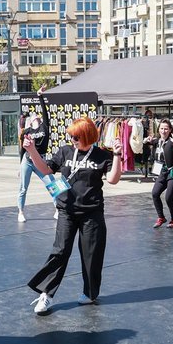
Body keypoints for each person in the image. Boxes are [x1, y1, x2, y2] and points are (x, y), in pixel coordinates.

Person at [24, 117, 123, 314]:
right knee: (60, 251)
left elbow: (112, 179)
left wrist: (118, 155)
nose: (72, 139)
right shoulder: (66, 151)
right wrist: (32, 150)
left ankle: (90, 293)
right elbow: (45, 169)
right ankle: (46, 294)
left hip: (92, 213)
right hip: (67, 211)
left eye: (76, 136)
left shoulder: (102, 155)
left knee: (92, 254)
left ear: (87, 136)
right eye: (71, 136)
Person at [17, 89, 59, 222]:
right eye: (34, 117)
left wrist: (40, 96)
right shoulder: (27, 131)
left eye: (38, 117)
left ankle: (58, 209)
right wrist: (20, 166)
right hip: (28, 160)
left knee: (52, 184)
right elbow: (23, 150)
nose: (37, 118)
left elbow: (45, 112)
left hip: (41, 159)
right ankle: (20, 212)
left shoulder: (44, 128)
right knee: (23, 187)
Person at [150, 119, 173, 229]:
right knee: (155, 193)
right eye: (161, 128)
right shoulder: (157, 141)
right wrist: (147, 141)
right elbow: (153, 143)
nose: (163, 131)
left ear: (170, 130)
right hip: (162, 172)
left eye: (166, 128)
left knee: (169, 198)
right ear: (158, 129)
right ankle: (161, 217)